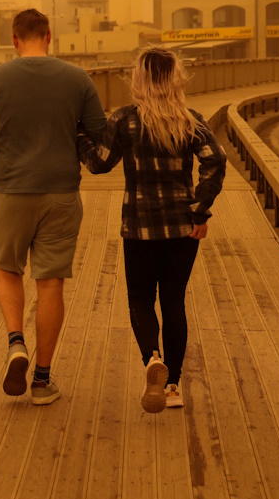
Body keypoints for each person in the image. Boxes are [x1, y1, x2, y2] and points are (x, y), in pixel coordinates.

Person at [0, 9, 107, 405]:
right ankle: (43, 381)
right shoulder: (78, 78)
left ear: (14, 39)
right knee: (50, 283)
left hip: (11, 190)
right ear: (49, 35)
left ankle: (16, 344)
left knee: (8, 270)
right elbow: (98, 131)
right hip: (61, 192)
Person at [77, 47, 226, 413]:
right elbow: (215, 161)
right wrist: (200, 211)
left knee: (141, 299)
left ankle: (152, 358)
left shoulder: (125, 120)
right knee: (173, 301)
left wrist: (78, 134)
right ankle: (173, 386)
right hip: (182, 226)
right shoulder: (191, 120)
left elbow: (98, 164)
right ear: (175, 79)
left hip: (140, 226)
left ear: (139, 79)